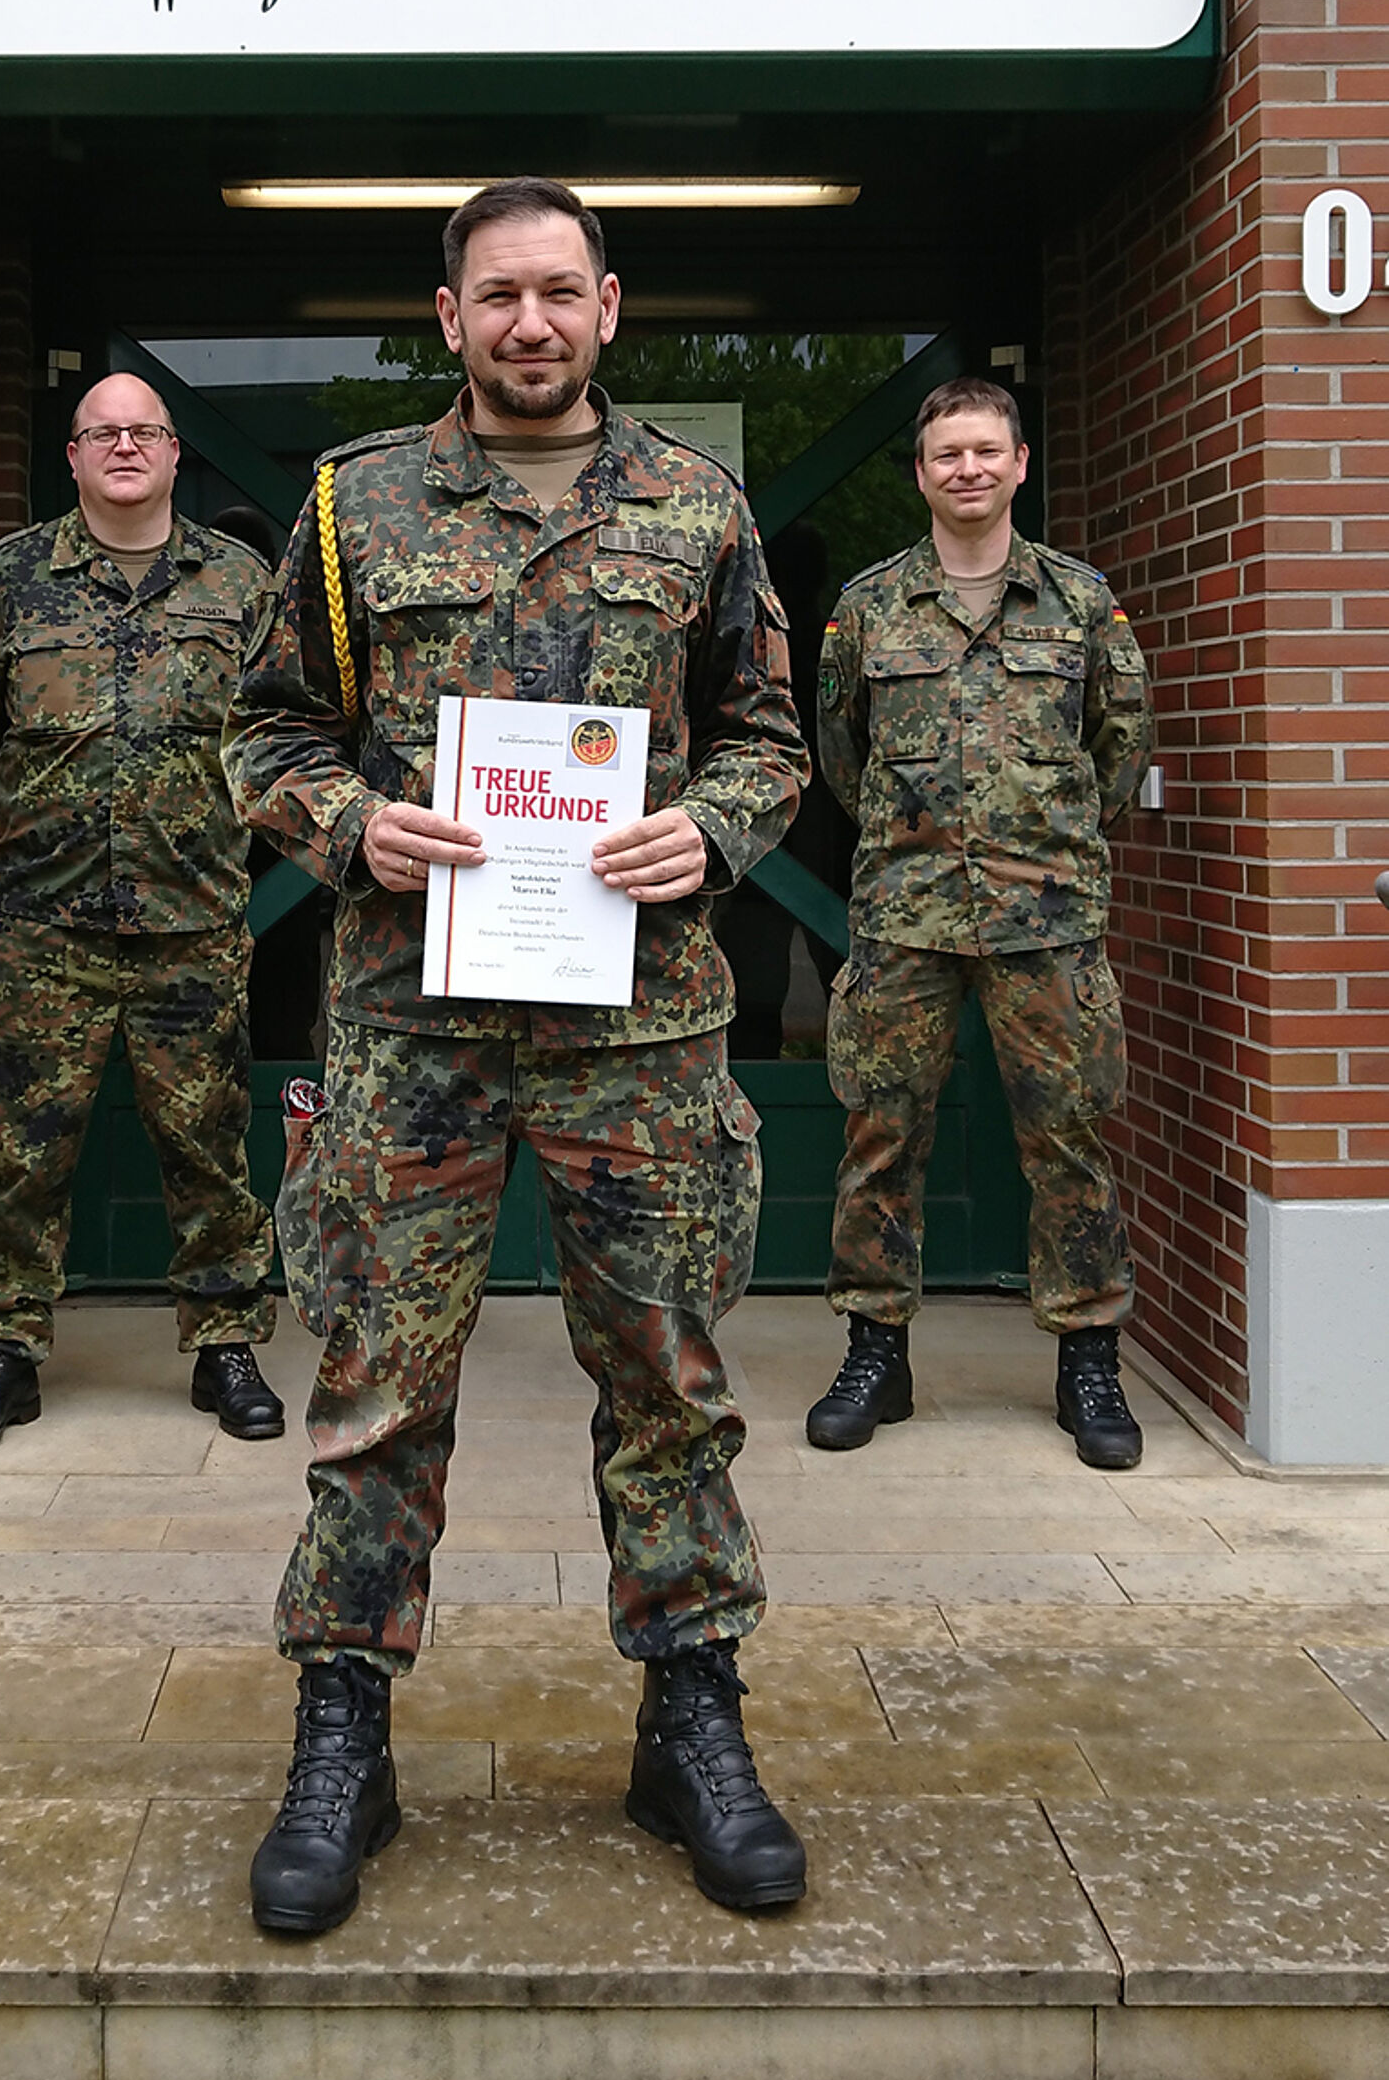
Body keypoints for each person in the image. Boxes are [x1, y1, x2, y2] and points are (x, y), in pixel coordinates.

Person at [223, 177, 812, 1935]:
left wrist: (710, 830)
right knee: (377, 1390)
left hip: (641, 1028)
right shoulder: (353, 504)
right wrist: (351, 824)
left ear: (611, 307)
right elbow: (263, 730)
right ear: (451, 311)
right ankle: (345, 1729)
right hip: (414, 1027)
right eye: (501, 296)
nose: (533, 324)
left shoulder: (696, 507)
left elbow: (776, 733)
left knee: (670, 1385)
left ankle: (690, 1716)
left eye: (562, 292)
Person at [807, 376, 1152, 1470]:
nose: (966, 469)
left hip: (1045, 920)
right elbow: (840, 757)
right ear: (921, 472)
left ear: (1018, 464)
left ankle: (1088, 1358)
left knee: (1071, 1139)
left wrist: (1034, 839)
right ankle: (877, 1350)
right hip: (905, 919)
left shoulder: (1082, 602)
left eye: (985, 451)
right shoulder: (868, 607)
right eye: (946, 453)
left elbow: (1120, 748)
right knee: (880, 1136)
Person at [0, 373, 283, 1449]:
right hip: (48, 929)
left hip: (194, 921)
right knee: (25, 1152)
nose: (125, 446)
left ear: (177, 454)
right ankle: (4, 1351)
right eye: (103, 433)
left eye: (145, 432)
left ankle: (226, 1342)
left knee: (209, 1145)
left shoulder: (241, 584)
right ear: (75, 455)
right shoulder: (11, 578)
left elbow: (277, 735)